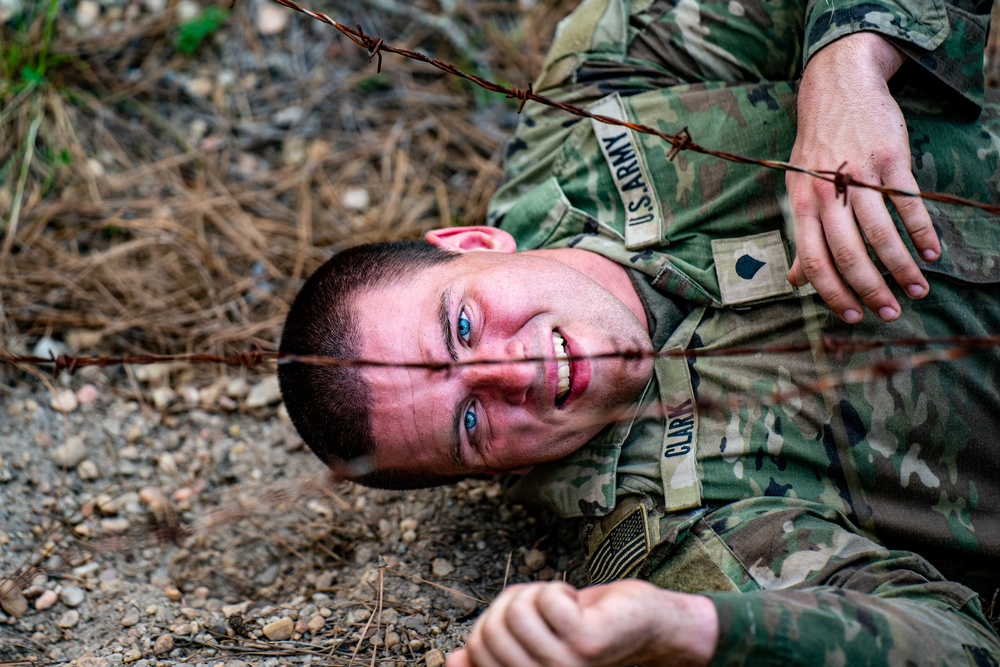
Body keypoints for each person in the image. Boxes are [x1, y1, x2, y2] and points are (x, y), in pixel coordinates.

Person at [278, 0, 1000, 663]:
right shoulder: (675, 536)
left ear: (474, 243)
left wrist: (846, 67)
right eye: (470, 421)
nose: (510, 372)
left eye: (462, 326)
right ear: (495, 473)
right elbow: (956, 645)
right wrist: (685, 627)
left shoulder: (613, 81)